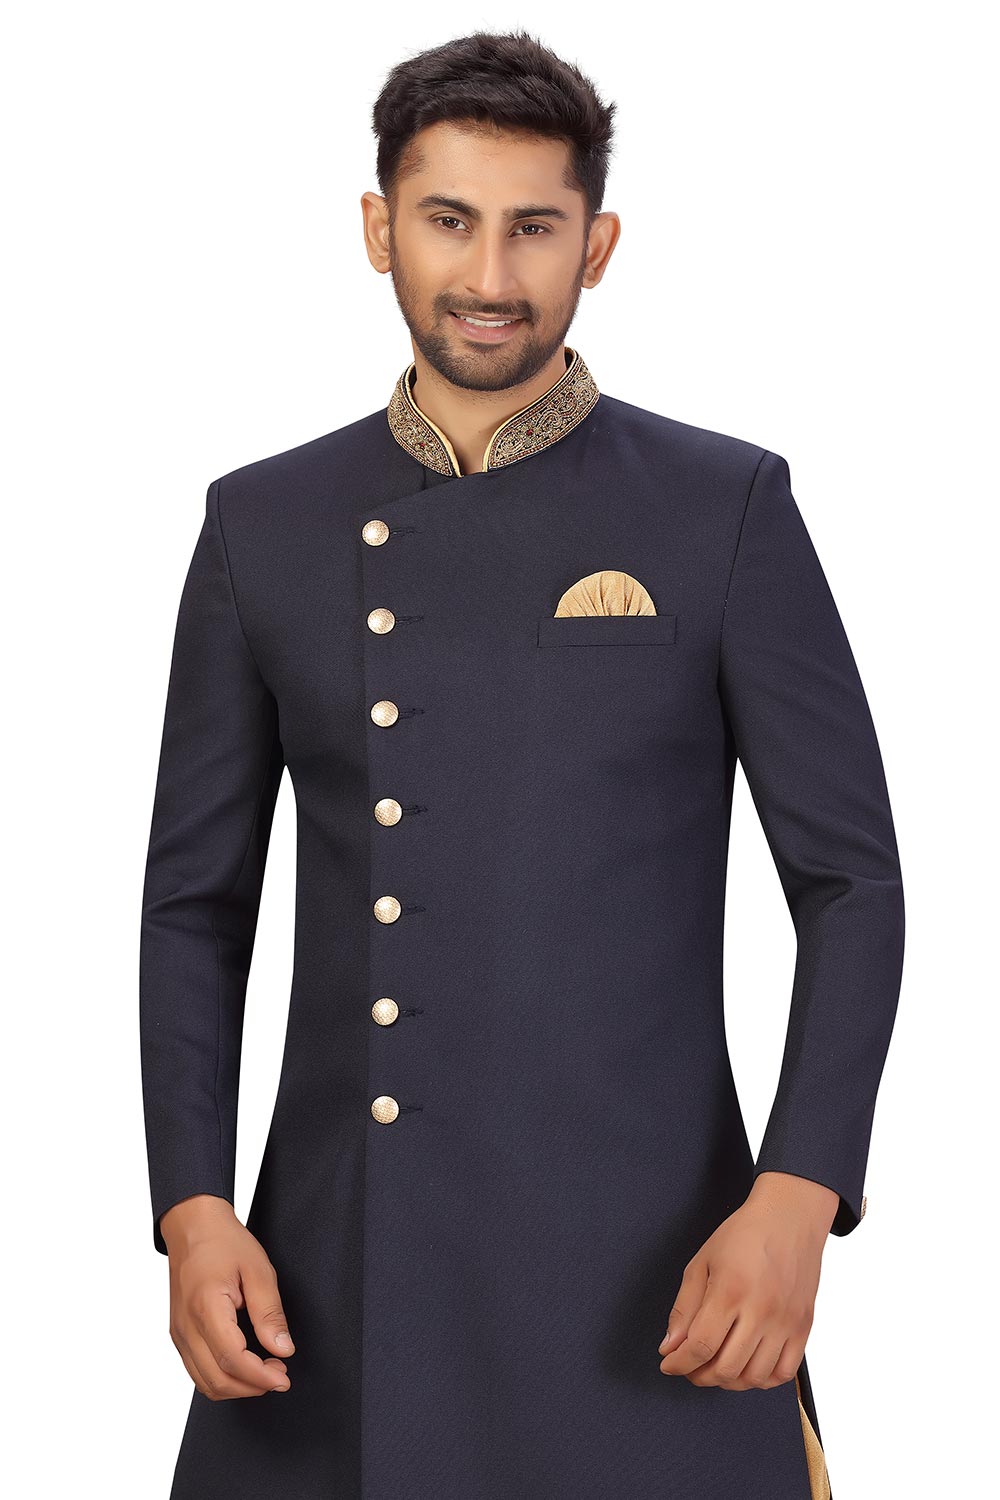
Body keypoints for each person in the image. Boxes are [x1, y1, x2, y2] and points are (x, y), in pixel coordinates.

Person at [139, 28, 904, 1500]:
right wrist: (192, 1206)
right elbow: (194, 905)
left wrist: (800, 1194)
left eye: (534, 228)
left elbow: (851, 883)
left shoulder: (723, 507)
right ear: (380, 229)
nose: (489, 274)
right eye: (449, 219)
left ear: (597, 247)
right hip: (339, 1273)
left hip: (658, 1265)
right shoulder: (263, 523)